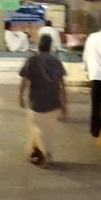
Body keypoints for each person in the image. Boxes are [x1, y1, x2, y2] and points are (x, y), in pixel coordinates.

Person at [19, 33, 67, 168]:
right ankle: (45, 153)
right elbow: (62, 84)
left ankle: (42, 154)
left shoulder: (32, 60)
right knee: (48, 131)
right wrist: (64, 102)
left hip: (35, 101)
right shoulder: (56, 61)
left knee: (36, 129)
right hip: (53, 101)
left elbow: (24, 81)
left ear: (39, 45)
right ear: (50, 46)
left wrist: (20, 97)